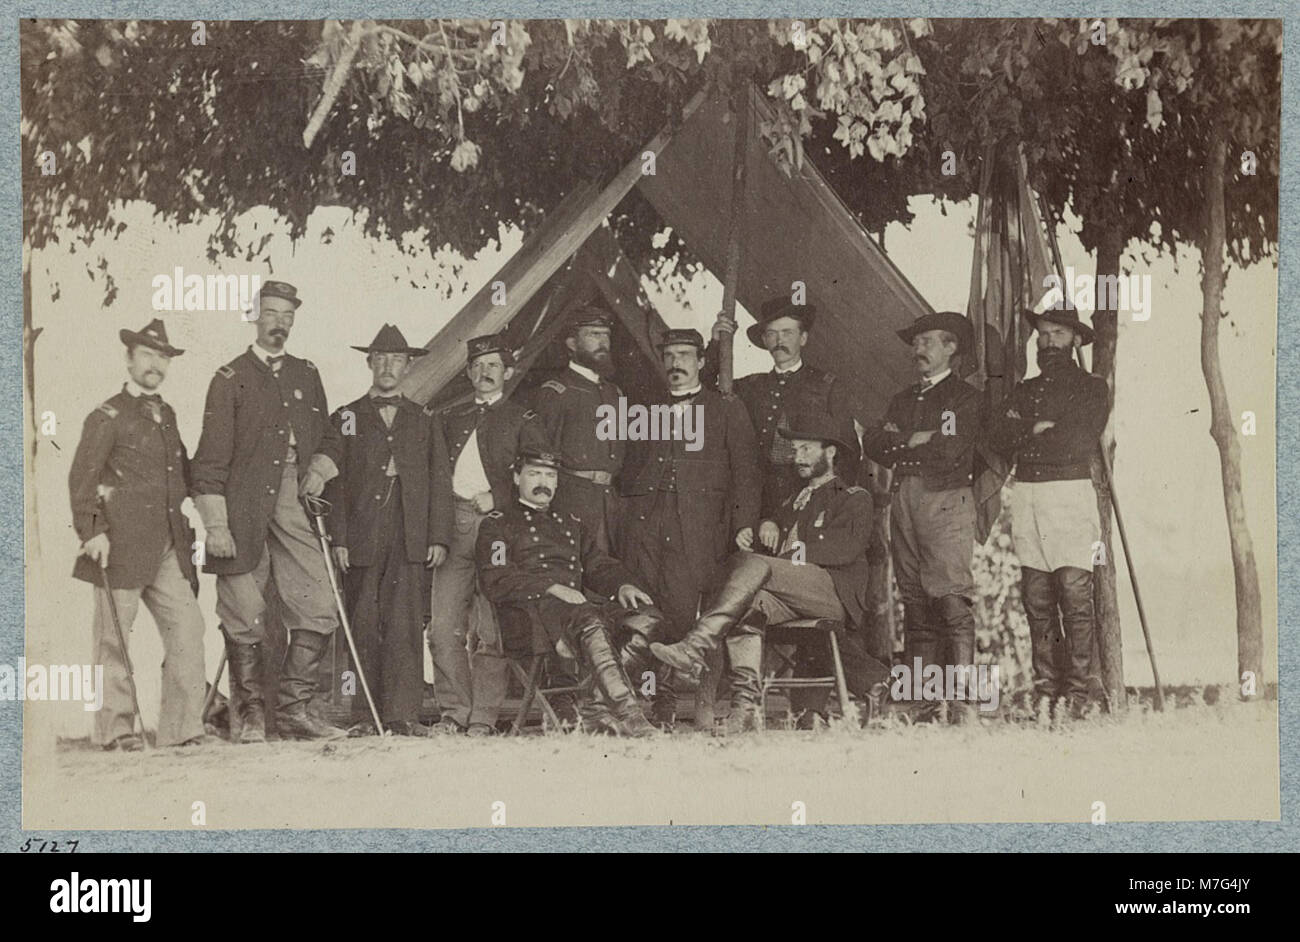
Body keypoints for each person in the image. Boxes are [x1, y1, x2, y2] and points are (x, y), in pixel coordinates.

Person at [650, 412, 887, 731]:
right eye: (795, 450)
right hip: (790, 596)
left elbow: (843, 550)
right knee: (746, 605)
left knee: (752, 565)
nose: (797, 457)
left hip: (831, 593)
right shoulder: (793, 501)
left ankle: (697, 643)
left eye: (806, 449)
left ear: (830, 452)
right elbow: (772, 543)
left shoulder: (854, 498)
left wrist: (780, 557)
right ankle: (743, 709)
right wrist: (765, 524)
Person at [190, 280, 344, 742]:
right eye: (271, 313)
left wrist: (320, 465)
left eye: (287, 315)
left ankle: (295, 711)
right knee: (243, 609)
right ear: (255, 316)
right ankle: (251, 716)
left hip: (295, 502)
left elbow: (331, 435)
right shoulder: (228, 377)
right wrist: (215, 523)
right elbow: (210, 460)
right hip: (241, 509)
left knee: (319, 603)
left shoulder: (306, 373)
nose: (279, 322)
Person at [68, 319, 209, 750]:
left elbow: (181, 474)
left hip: (168, 545)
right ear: (129, 359)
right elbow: (82, 478)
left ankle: (182, 730)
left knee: (188, 628)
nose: (156, 365)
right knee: (113, 639)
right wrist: (93, 531)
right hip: (120, 547)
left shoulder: (167, 414)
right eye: (147, 355)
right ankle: (116, 731)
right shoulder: (106, 415)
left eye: (163, 358)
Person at [619, 328, 760, 726]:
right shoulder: (647, 409)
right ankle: (659, 703)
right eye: (670, 355)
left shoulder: (726, 408)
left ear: (701, 362)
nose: (676, 363)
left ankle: (703, 702)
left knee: (686, 613)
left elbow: (746, 475)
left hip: (697, 527)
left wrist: (743, 524)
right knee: (648, 610)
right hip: (648, 523)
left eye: (685, 355)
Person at [322, 324, 450, 736]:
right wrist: (339, 538)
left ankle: (403, 715)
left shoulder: (424, 420)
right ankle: (364, 716)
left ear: (408, 366)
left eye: (396, 360)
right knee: (363, 620)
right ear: (369, 364)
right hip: (361, 533)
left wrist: (438, 536)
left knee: (406, 622)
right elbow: (334, 483)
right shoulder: (346, 417)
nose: (388, 367)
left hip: (409, 531)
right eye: (381, 359)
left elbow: (439, 481)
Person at [475, 451, 659, 737]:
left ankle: (595, 706)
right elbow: (496, 577)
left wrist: (623, 585)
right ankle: (630, 714)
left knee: (647, 619)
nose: (543, 482)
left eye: (550, 475)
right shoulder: (497, 524)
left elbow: (597, 564)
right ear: (516, 477)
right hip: (529, 616)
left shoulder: (571, 522)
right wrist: (551, 587)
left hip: (575, 612)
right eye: (534, 473)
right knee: (589, 617)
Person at [987, 309, 1110, 719]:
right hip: (1027, 495)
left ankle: (1078, 695)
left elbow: (1075, 441)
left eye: (1057, 333)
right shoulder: (1024, 390)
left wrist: (1033, 430)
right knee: (1036, 599)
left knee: (1074, 596)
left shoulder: (1091, 388)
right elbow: (997, 435)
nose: (1047, 342)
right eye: (1042, 334)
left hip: (1069, 494)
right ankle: (1046, 693)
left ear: (1076, 339)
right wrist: (1035, 428)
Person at [861, 311, 982, 723]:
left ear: (951, 347)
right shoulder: (902, 399)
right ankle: (923, 701)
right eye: (916, 343)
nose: (918, 350)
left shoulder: (963, 398)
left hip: (946, 498)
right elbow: (875, 442)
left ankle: (963, 700)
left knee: (950, 595)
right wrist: (913, 439)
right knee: (914, 601)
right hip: (905, 499)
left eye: (927, 342)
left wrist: (906, 442)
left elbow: (948, 449)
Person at [428, 333, 546, 736]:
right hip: (453, 527)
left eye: (493, 365)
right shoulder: (450, 419)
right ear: (468, 372)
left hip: (499, 528)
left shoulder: (522, 419)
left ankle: (483, 718)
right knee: (443, 627)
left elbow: (541, 478)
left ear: (507, 372)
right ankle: (454, 711)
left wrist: (496, 494)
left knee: (491, 629)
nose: (484, 372)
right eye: (477, 366)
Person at [709, 295, 857, 518]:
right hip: (751, 500)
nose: (779, 340)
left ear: (803, 338)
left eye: (787, 332)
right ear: (765, 341)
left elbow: (849, 450)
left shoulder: (827, 386)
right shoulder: (751, 386)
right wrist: (716, 343)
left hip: (804, 498)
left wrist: (832, 503)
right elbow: (702, 395)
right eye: (772, 334)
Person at [531, 307, 626, 553]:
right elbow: (539, 455)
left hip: (608, 503)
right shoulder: (556, 391)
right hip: (571, 502)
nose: (603, 342)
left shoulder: (613, 392)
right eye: (594, 335)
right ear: (572, 343)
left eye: (606, 335)